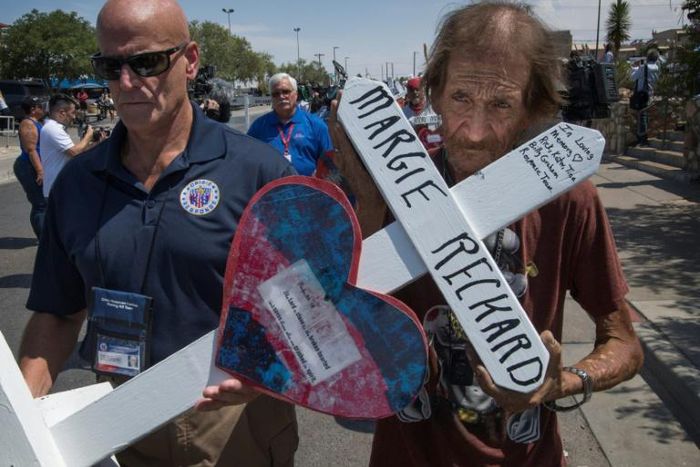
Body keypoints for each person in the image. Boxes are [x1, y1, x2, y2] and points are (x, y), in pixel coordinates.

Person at [328, 3, 643, 466]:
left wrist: (565, 382)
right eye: (460, 98)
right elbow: (332, 335)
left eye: (500, 104)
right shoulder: (382, 188)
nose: (474, 132)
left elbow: (625, 343)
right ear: (433, 94)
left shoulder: (567, 201)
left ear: (531, 107)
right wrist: (371, 203)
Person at [18, 1, 298, 466]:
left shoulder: (257, 172)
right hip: (119, 416)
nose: (127, 83)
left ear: (189, 60)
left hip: (231, 418)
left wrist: (269, 368)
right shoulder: (78, 183)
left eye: (146, 62)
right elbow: (58, 314)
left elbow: (308, 308)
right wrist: (21, 422)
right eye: (111, 66)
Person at [248, 72, 333, 175]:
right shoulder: (258, 127)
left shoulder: (316, 125)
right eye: (276, 94)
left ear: (296, 94)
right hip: (272, 190)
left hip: (308, 189)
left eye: (286, 91)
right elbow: (248, 163)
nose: (282, 96)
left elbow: (329, 164)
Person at [39, 94, 95, 198]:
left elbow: (76, 152)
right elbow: (75, 152)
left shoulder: (56, 128)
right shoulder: (52, 128)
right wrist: (88, 135)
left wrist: (95, 143)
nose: (74, 117)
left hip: (62, 187)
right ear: (62, 113)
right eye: (72, 113)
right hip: (57, 189)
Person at [13, 96, 46, 238]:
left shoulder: (36, 122)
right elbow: (31, 150)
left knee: (44, 203)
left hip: (34, 164)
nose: (43, 109)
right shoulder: (28, 124)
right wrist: (40, 171)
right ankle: (43, 238)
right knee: (40, 204)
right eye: (40, 106)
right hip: (29, 166)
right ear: (33, 109)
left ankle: (47, 236)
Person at [631, 49, 661, 145]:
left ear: (648, 57)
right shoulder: (657, 67)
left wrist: (635, 68)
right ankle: (644, 136)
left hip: (642, 94)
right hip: (651, 93)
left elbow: (633, 77)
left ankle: (642, 138)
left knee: (642, 115)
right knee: (645, 115)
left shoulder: (644, 67)